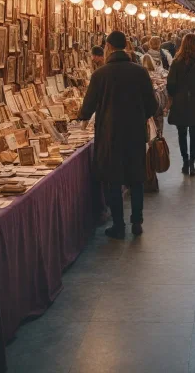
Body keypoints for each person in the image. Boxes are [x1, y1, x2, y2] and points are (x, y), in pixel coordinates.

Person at [79, 31, 158, 238]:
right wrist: (139, 116)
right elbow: (152, 105)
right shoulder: (140, 72)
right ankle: (137, 221)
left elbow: (88, 106)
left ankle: (118, 225)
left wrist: (84, 118)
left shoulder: (100, 74)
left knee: (113, 180)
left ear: (108, 47)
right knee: (136, 178)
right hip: (134, 133)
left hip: (110, 134)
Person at [167, 32, 195, 176]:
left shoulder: (176, 62)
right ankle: (192, 162)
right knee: (194, 134)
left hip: (180, 102)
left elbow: (170, 83)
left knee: (182, 133)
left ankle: (185, 161)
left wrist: (174, 95)